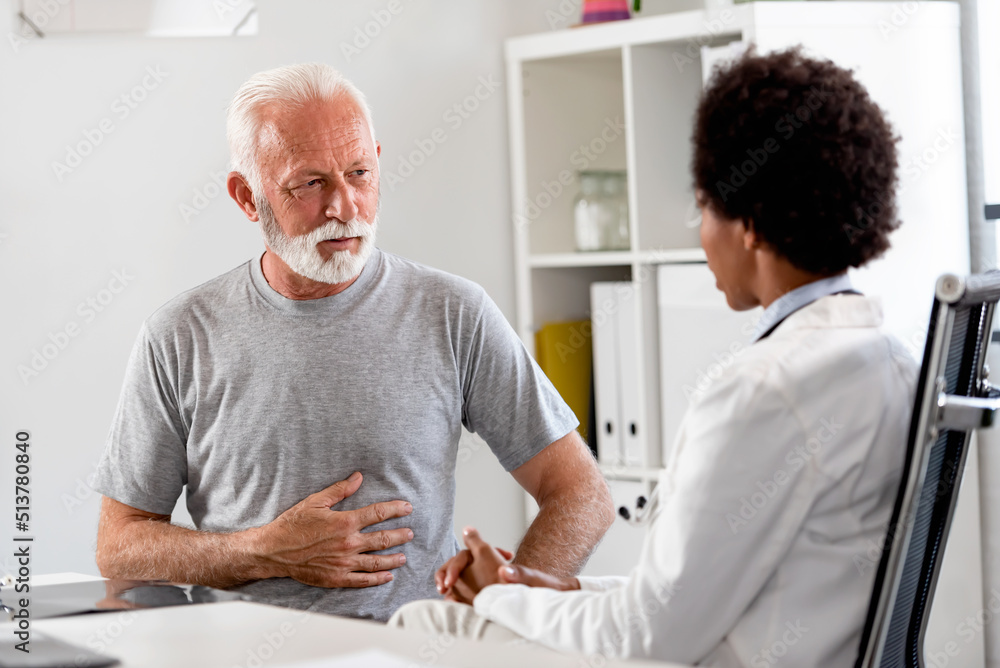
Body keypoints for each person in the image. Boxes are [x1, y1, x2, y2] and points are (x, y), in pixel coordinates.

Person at [389, 46, 919, 666]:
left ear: (748, 221)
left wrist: (493, 598)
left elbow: (646, 639)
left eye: (703, 207)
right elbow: (680, 601)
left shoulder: (762, 392)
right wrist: (553, 587)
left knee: (423, 620)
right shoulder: (886, 357)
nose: (701, 234)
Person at [92, 63, 614, 622]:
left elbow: (581, 494)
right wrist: (263, 551)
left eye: (359, 173)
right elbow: (119, 544)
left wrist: (507, 604)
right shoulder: (178, 335)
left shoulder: (454, 312)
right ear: (247, 197)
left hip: (411, 655)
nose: (345, 206)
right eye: (310, 183)